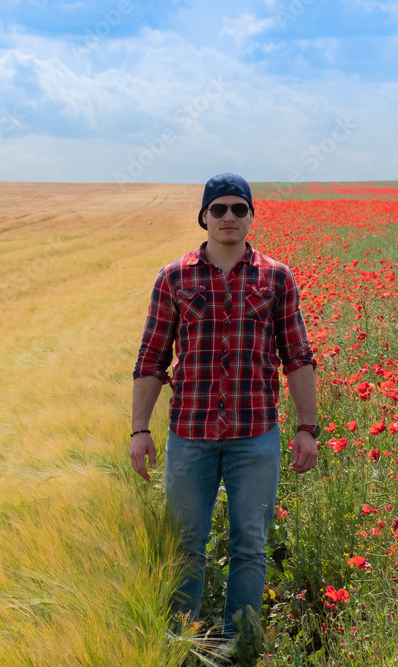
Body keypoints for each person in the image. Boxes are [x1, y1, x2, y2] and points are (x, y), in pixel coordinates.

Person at [130, 172, 319, 644]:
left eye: (239, 208)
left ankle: (240, 644)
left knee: (251, 545)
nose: (229, 217)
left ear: (252, 216)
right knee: (185, 545)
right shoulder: (173, 276)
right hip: (190, 434)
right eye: (219, 209)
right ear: (204, 217)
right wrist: (139, 430)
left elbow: (297, 355)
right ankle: (180, 642)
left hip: (255, 434)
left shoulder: (276, 276)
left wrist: (307, 427)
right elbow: (152, 358)